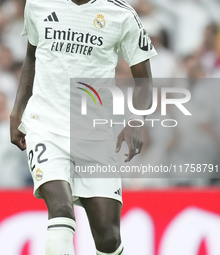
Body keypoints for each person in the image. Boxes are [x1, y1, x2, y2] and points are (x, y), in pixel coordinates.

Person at [10, 0, 156, 254]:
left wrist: (135, 122)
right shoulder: (38, 4)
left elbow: (144, 82)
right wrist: (17, 111)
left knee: (108, 239)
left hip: (95, 136)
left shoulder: (122, 15)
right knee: (61, 212)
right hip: (45, 125)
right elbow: (31, 57)